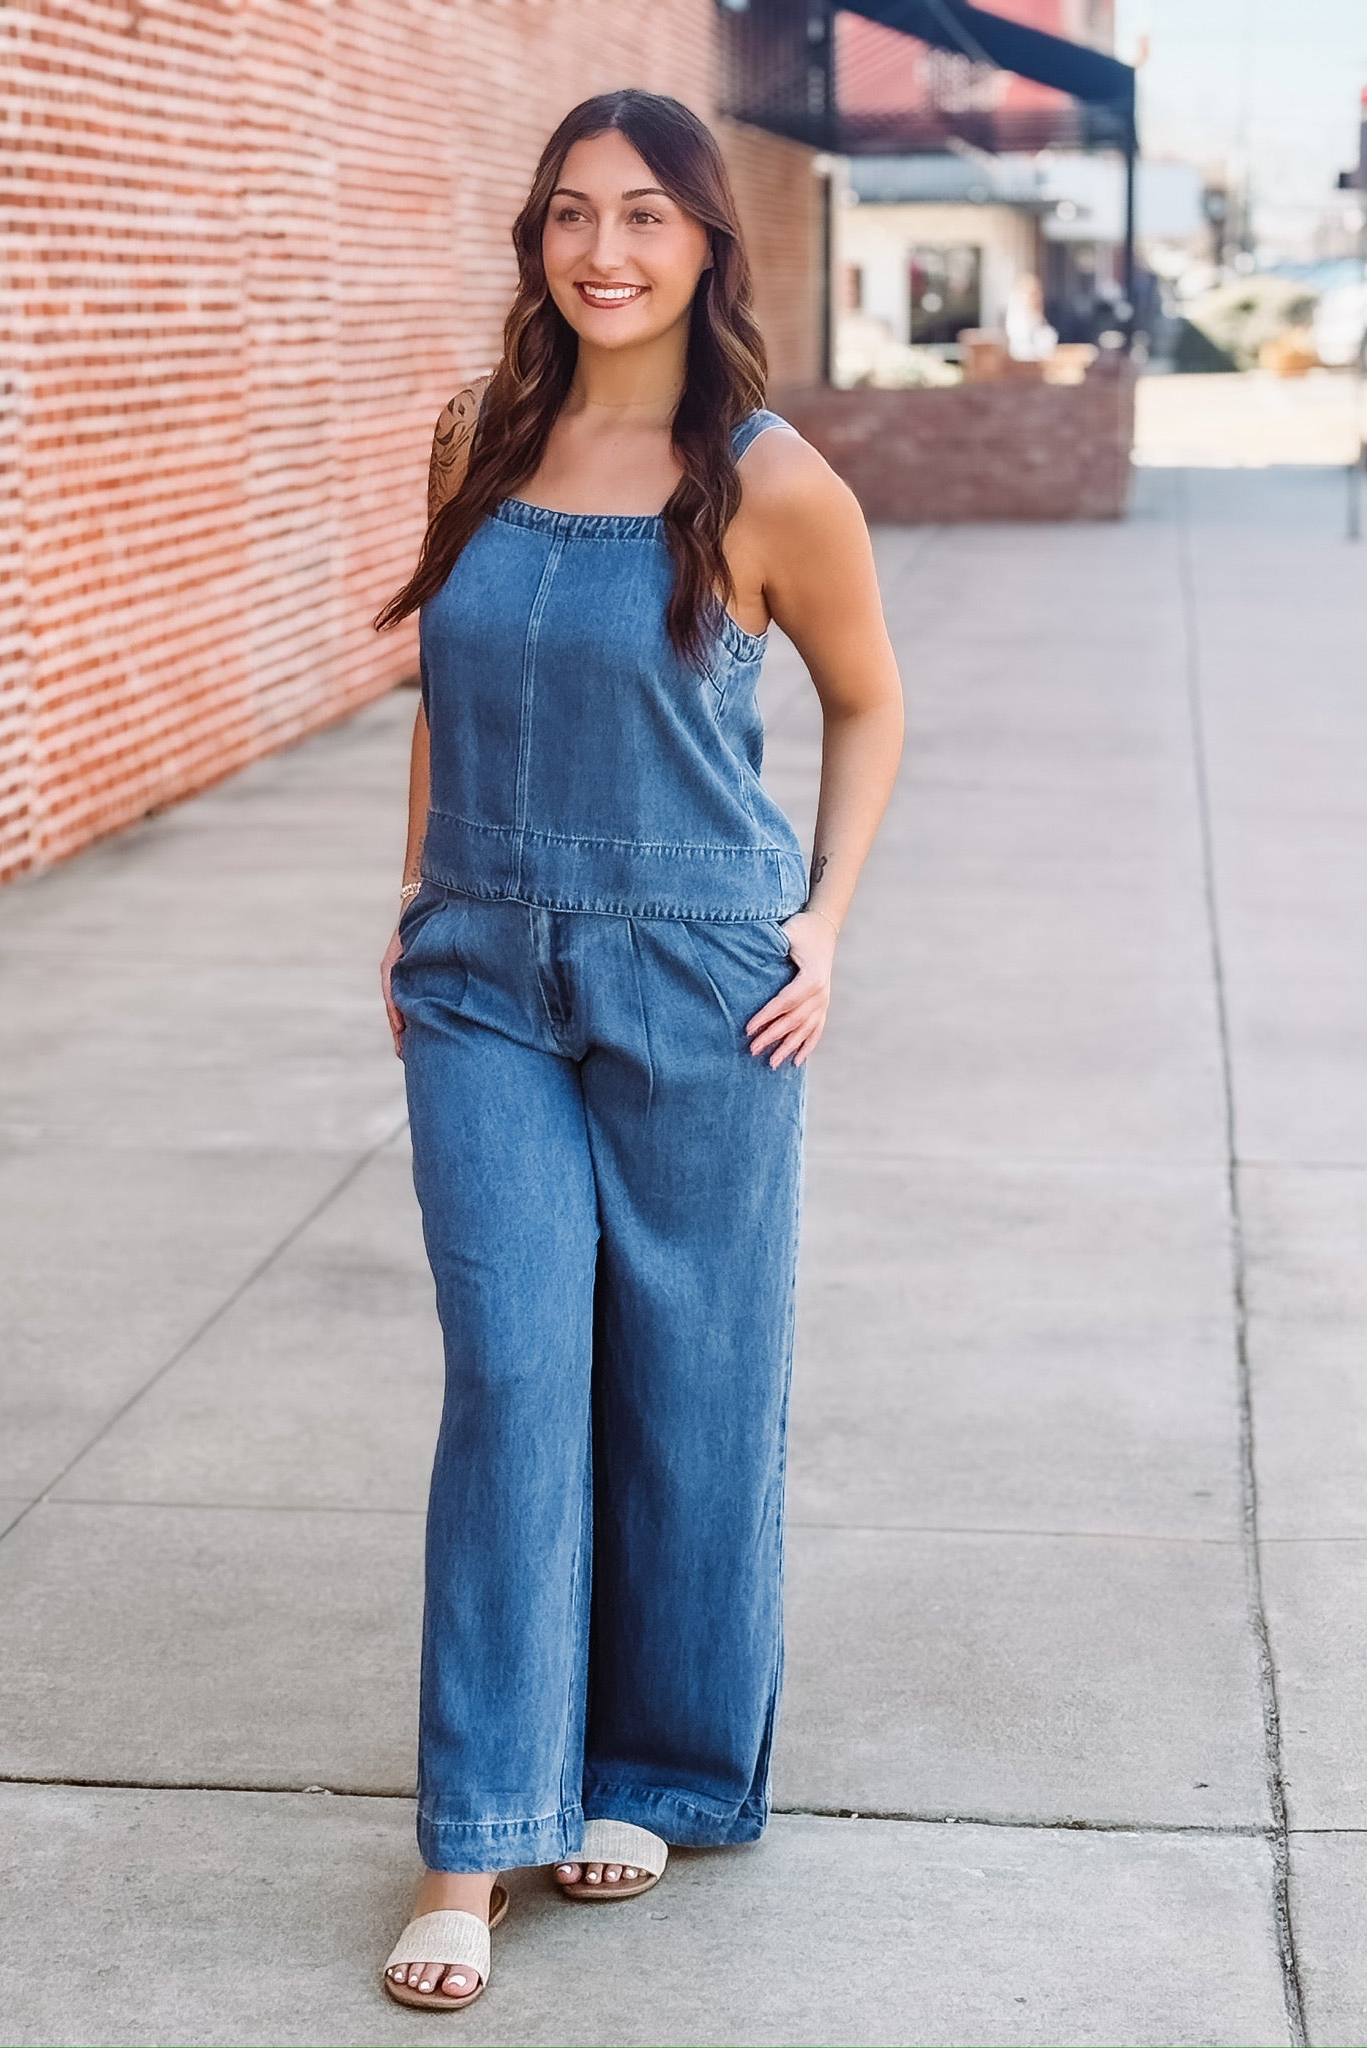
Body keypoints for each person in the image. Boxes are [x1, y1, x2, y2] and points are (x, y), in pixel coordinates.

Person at [371, 87, 903, 2013]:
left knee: (690, 1377)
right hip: (481, 973)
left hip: (701, 973)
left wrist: (821, 923)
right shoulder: (479, 438)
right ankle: (477, 1831)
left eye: (647, 217)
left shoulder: (768, 480)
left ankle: (660, 1766)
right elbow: (437, 680)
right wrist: (415, 896)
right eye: (571, 216)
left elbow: (867, 702)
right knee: (516, 1371)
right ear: (536, 240)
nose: (604, 251)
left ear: (705, 245)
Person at [1003, 270, 1058, 362]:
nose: (1037, 298)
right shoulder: (1018, 319)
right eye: (1032, 294)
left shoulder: (1037, 317)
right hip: (1024, 361)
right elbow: (1021, 347)